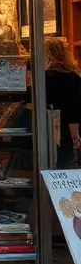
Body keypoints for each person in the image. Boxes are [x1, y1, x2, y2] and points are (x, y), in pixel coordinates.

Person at [46, 37, 81, 168]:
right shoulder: (73, 77)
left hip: (49, 133)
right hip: (65, 134)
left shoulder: (44, 77)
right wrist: (76, 138)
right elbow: (74, 110)